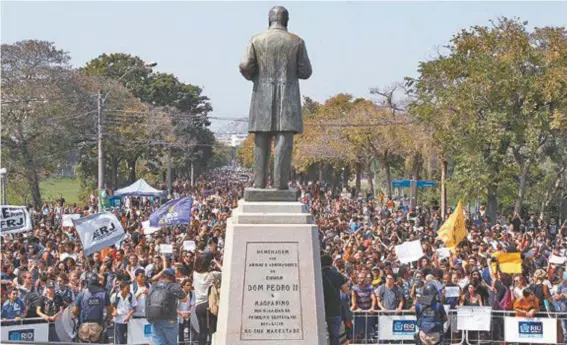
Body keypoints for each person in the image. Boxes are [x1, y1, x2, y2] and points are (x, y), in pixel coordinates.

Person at [146, 267, 187, 345]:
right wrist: (179, 285)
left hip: (155, 318)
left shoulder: (153, 286)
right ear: (172, 277)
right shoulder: (173, 286)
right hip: (169, 319)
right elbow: (184, 299)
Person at [72, 273, 112, 343]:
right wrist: (105, 320)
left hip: (84, 327)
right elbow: (109, 311)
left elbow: (74, 311)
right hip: (98, 328)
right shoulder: (104, 294)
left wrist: (78, 316)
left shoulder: (82, 294)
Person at [192, 253, 222, 345]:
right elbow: (227, 273)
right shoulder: (212, 275)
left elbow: (196, 264)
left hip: (199, 306)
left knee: (202, 332)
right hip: (209, 304)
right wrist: (218, 264)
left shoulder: (195, 274)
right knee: (212, 331)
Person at [321, 253, 348, 345]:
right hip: (334, 310)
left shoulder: (316, 275)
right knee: (335, 336)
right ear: (331, 263)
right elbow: (345, 290)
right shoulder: (337, 275)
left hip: (320, 310)